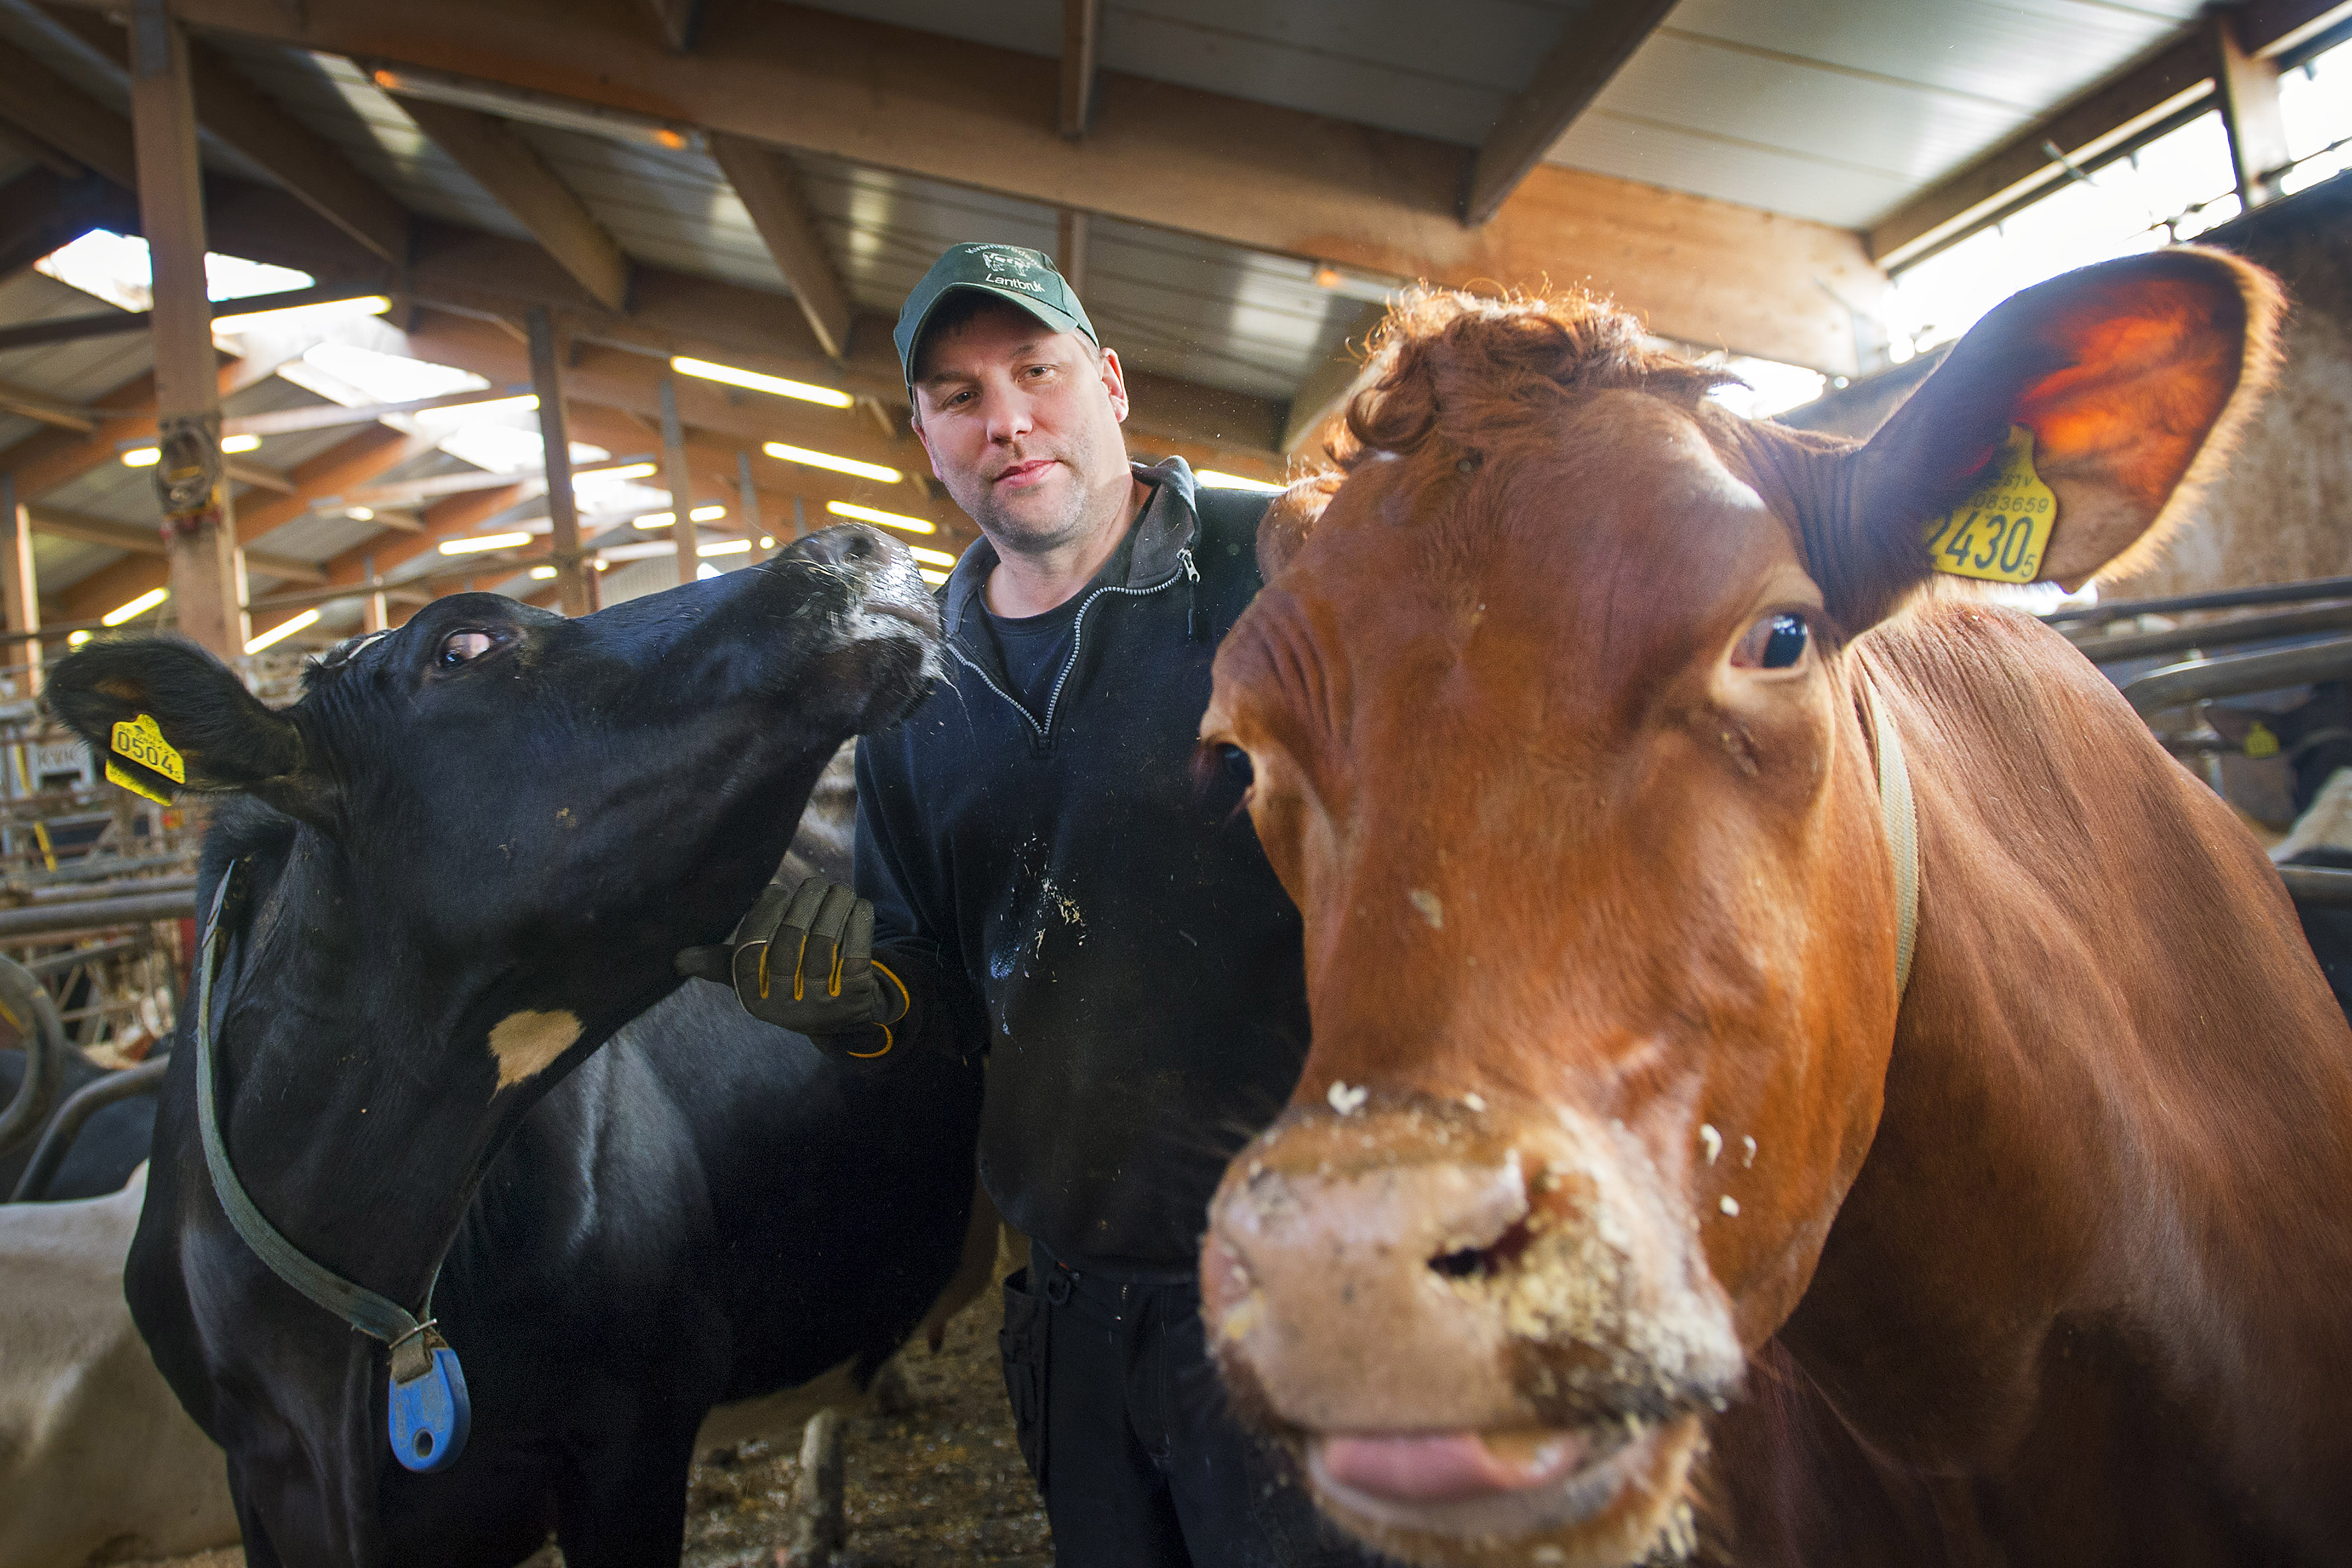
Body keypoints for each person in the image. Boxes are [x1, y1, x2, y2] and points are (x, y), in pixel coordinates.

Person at [696, 243, 1372, 1566]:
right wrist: (855, 1006)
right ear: (926, 442)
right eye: (958, 395)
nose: (1004, 417)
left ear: (1108, 384)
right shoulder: (915, 693)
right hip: (1069, 1300)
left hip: (1312, 1284)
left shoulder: (1282, 567)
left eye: (1035, 371)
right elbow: (931, 989)